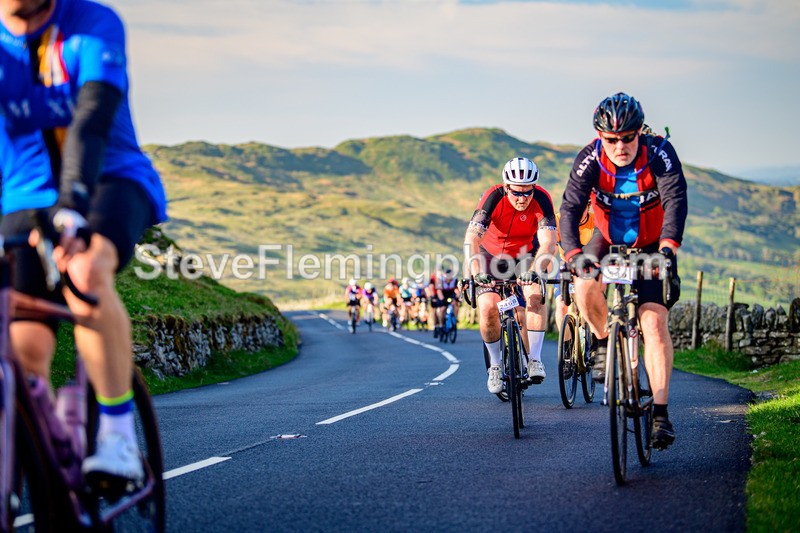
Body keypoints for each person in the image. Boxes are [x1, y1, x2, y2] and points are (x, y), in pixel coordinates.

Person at [0, 0, 168, 487]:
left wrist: (73, 204)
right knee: (24, 344)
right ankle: (48, 443)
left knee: (85, 271)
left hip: (108, 181)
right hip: (25, 193)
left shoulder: (91, 22)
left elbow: (92, 117)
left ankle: (117, 436)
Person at [560, 92, 687, 450]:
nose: (620, 146)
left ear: (638, 134)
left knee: (653, 323)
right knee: (584, 284)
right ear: (601, 136)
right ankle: (603, 343)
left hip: (651, 243)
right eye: (612, 139)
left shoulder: (659, 153)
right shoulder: (590, 158)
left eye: (628, 138)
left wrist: (668, 248)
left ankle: (660, 414)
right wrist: (573, 253)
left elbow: (676, 199)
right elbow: (570, 207)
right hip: (608, 236)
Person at [464, 157, 558, 393]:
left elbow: (548, 243)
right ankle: (495, 366)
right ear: (506, 187)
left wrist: (535, 271)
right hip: (490, 254)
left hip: (525, 254)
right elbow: (472, 239)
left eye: (528, 192)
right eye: (516, 192)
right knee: (487, 306)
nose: (522, 198)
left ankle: (534, 359)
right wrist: (476, 273)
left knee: (535, 295)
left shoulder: (543, 199)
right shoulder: (493, 197)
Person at [554, 203, 595, 331]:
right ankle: (565, 346)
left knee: (586, 304)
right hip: (566, 265)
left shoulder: (596, 221)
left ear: (588, 207)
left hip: (589, 267)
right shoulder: (559, 219)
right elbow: (550, 245)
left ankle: (587, 337)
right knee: (561, 305)